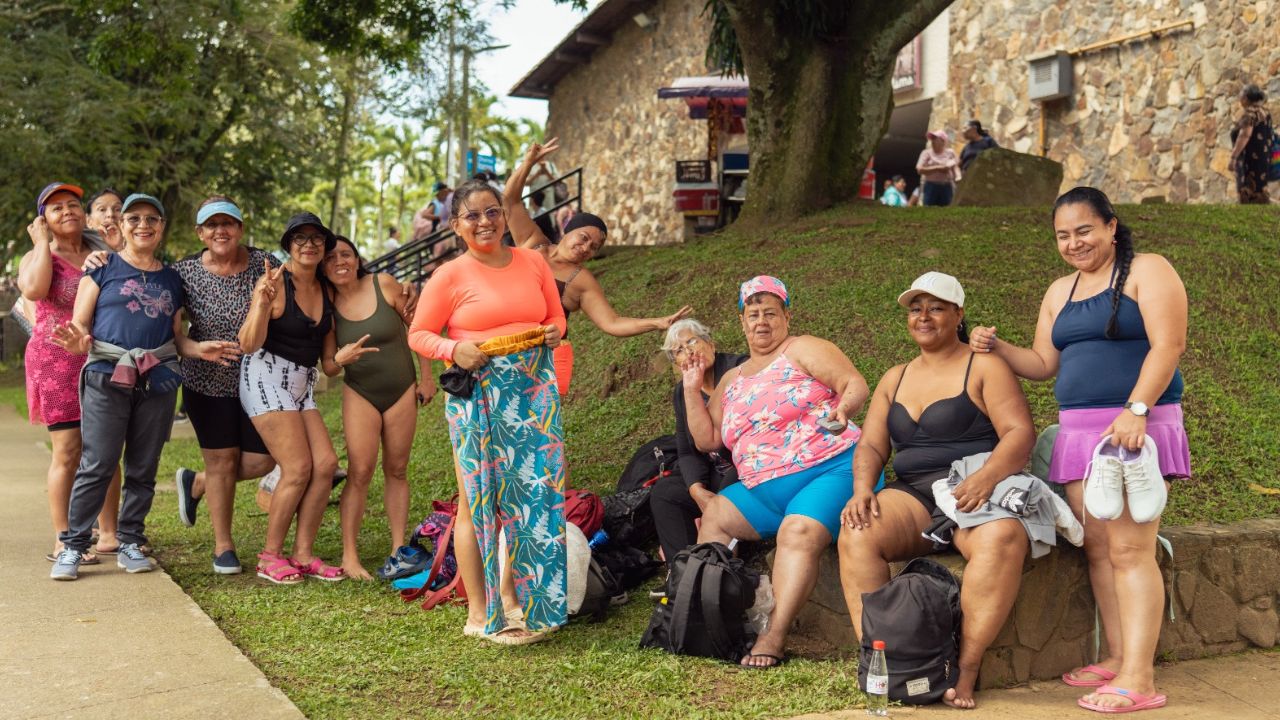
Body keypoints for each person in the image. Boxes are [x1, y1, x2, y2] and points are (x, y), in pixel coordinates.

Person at [969, 187, 1188, 713]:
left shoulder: (1148, 270)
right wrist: (997, 347)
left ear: (1111, 226)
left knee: (1131, 550)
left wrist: (1136, 410)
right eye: (1063, 235)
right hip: (1077, 435)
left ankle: (1139, 677)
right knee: (1098, 549)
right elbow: (1045, 363)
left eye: (1084, 230)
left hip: (1133, 427)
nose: (1074, 243)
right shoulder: (1059, 291)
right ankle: (1117, 657)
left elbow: (1169, 345)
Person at [837, 271, 1037, 708]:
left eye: (936, 307)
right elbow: (871, 443)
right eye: (915, 308)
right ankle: (880, 658)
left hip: (971, 489)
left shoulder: (985, 366)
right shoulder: (896, 376)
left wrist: (985, 480)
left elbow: (1020, 434)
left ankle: (964, 670)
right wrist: (861, 488)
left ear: (959, 314)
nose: (923, 316)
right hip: (914, 496)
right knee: (857, 530)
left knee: (1002, 538)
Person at [680, 275, 871, 669]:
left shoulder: (803, 349)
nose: (761, 321)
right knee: (716, 512)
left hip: (829, 468)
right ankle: (705, 615)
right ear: (742, 322)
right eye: (753, 314)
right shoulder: (732, 380)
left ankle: (774, 636)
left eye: (770, 312)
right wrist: (690, 387)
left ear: (786, 316)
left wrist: (843, 410)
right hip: (762, 487)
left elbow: (853, 382)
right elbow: (708, 440)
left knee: (796, 531)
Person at [408, 179, 567, 645]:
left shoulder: (533, 261)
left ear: (504, 214)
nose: (485, 222)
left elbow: (555, 317)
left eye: (492, 211)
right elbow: (420, 333)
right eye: (472, 216)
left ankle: (523, 602)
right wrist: (454, 348)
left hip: (533, 392)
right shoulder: (449, 275)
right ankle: (480, 610)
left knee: (533, 496)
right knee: (478, 497)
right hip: (477, 393)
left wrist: (554, 332)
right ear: (456, 225)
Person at [48, 193, 217, 580]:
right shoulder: (102, 268)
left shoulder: (172, 278)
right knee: (98, 463)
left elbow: (177, 337)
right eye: (134, 219)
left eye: (151, 219)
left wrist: (198, 348)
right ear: (121, 227)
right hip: (107, 375)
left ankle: (130, 540)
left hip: (157, 380)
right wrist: (78, 343)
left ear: (161, 228)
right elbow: (80, 324)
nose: (143, 225)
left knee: (143, 465)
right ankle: (73, 546)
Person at [504, 139, 691, 395]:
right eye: (583, 237)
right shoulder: (532, 243)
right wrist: (528, 162)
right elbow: (510, 201)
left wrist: (658, 323)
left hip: (540, 361)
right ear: (567, 230)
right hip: (499, 346)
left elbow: (612, 323)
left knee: (534, 432)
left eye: (593, 247)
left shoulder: (580, 280)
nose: (586, 247)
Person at [172, 196, 279, 575]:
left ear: (240, 228)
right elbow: (175, 337)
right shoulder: (183, 272)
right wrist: (197, 350)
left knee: (263, 459)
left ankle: (198, 482)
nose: (221, 231)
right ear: (200, 232)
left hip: (261, 382)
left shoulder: (267, 265)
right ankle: (223, 546)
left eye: (228, 223)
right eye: (212, 225)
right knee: (221, 461)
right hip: (206, 381)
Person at [238, 212, 344, 584]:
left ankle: (303, 553)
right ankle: (270, 556)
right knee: (298, 467)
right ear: (288, 246)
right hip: (264, 374)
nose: (309, 244)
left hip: (302, 383)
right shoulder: (274, 284)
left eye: (317, 238)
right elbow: (248, 343)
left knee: (326, 464)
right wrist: (262, 304)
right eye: (300, 238)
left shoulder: (327, 291)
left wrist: (340, 360)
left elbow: (329, 362)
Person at [321, 235, 435, 581]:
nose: (339, 261)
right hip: (360, 393)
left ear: (357, 259)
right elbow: (328, 365)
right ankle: (350, 556)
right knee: (360, 472)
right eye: (331, 258)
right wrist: (340, 359)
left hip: (401, 389)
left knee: (397, 469)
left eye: (346, 254)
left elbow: (417, 326)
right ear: (323, 268)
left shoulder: (383, 284)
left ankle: (399, 549)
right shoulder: (326, 305)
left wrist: (427, 377)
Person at [19, 182, 120, 566]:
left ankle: (109, 533)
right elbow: (33, 290)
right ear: (42, 219)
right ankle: (64, 538)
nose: (68, 212)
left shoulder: (102, 252)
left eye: (74, 205)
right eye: (56, 208)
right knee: (68, 451)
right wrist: (43, 243)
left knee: (108, 448)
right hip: (55, 358)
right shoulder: (37, 256)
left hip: (101, 356)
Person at [652, 318, 746, 569]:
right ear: (678, 366)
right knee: (665, 493)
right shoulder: (682, 391)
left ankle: (722, 570)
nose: (688, 351)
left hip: (749, 464)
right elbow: (686, 450)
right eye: (679, 350)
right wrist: (695, 489)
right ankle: (681, 574)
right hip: (716, 471)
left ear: (711, 344)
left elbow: (750, 439)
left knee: (725, 496)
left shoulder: (741, 370)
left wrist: (714, 500)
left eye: (692, 341)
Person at [1229, 84, 1272, 204]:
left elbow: (1244, 135)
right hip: (1262, 158)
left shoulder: (1250, 114)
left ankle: (1251, 215)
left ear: (1246, 98)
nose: (1239, 97)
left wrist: (1233, 157)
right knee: (1259, 189)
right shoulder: (1265, 112)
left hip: (1249, 160)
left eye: (1241, 95)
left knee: (1249, 190)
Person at [916, 130, 961, 207]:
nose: (932, 141)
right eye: (932, 139)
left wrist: (958, 177)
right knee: (928, 209)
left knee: (946, 210)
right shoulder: (926, 153)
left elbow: (956, 166)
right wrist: (938, 168)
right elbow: (919, 169)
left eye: (935, 139)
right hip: (931, 186)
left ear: (943, 141)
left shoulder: (950, 152)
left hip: (947, 186)